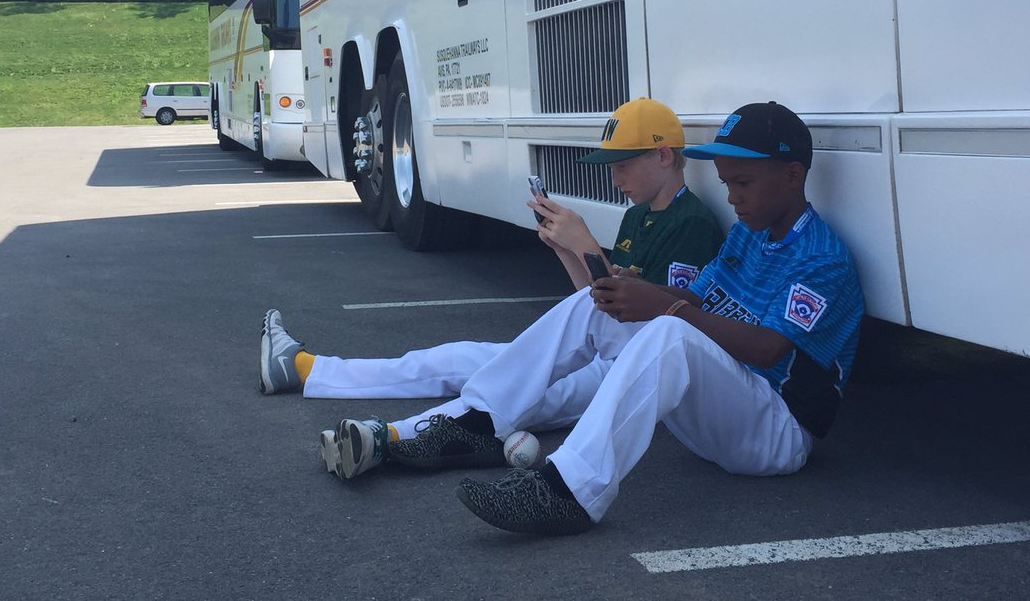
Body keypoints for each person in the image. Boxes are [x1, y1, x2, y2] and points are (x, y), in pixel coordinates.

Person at [376, 101, 864, 537]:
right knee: (601, 301)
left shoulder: (822, 258)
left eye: (743, 183)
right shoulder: (748, 234)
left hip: (777, 431)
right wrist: (634, 293)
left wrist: (661, 306)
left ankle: (569, 492)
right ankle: (479, 420)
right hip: (727, 412)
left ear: (794, 175)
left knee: (671, 328)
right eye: (726, 184)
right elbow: (692, 297)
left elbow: (765, 349)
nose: (733, 197)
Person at [258, 97, 725, 479]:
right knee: (459, 358)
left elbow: (650, 321)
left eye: (622, 165)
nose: (614, 177)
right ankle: (306, 368)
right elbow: (595, 302)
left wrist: (583, 240)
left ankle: (388, 437)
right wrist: (564, 246)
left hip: (630, 367)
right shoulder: (638, 215)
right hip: (603, 346)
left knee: (519, 396)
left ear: (663, 156)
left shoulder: (692, 224)